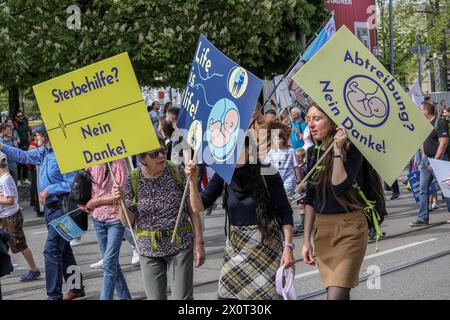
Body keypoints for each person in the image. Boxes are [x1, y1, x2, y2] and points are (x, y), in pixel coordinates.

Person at [185, 136, 295, 300]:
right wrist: (193, 182)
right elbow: (199, 206)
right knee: (225, 296)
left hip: (266, 247)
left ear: (249, 149)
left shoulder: (267, 172)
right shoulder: (223, 174)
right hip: (236, 246)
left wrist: (288, 247)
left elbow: (286, 212)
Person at [112, 138, 205, 300]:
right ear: (142, 159)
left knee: (182, 299)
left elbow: (194, 209)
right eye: (154, 154)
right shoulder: (133, 179)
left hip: (179, 244)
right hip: (149, 249)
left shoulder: (176, 171)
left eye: (163, 151)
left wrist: (199, 243)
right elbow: (128, 222)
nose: (161, 156)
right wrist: (121, 203)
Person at [0, 124, 85, 300]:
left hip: (62, 208)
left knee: (51, 250)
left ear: (48, 136)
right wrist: (1, 146)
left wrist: (49, 189)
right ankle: (77, 287)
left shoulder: (64, 154)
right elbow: (22, 155)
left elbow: (71, 182)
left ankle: (54, 295)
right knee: (65, 250)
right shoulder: (43, 153)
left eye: (39, 135)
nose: (36, 138)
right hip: (50, 209)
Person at [301, 103, 372, 300]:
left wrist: (338, 151)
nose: (311, 125)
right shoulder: (312, 153)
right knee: (337, 292)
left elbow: (339, 187)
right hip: (322, 231)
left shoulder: (352, 149)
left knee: (336, 296)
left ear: (332, 121)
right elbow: (309, 199)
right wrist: (306, 240)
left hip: (350, 230)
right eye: (308, 119)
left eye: (317, 118)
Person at [80, 160, 132, 300]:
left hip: (115, 219)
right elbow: (86, 184)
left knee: (108, 263)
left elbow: (121, 195)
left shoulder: (118, 163)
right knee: (112, 263)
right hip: (97, 218)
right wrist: (83, 201)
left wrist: (96, 202)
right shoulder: (91, 160)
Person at [0, 152, 41, 282]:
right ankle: (5, 266)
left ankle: (34, 270)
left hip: (11, 216)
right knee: (3, 243)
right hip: (3, 216)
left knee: (20, 244)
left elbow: (11, 200)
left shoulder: (6, 179)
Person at [410, 101, 449, 227]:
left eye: (420, 109)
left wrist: (435, 160)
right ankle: (422, 218)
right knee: (423, 189)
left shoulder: (440, 123)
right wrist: (423, 157)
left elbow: (443, 143)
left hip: (439, 160)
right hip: (426, 160)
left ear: (426, 111)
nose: (419, 112)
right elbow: (423, 143)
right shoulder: (424, 125)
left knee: (446, 189)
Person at [13, 112, 31, 186]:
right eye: (18, 116)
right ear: (16, 117)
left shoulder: (25, 125)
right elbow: (14, 136)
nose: (20, 117)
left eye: (21, 116)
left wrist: (29, 144)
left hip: (26, 146)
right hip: (19, 147)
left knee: (25, 163)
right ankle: (18, 180)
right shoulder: (15, 126)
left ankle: (25, 178)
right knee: (19, 164)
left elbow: (28, 135)